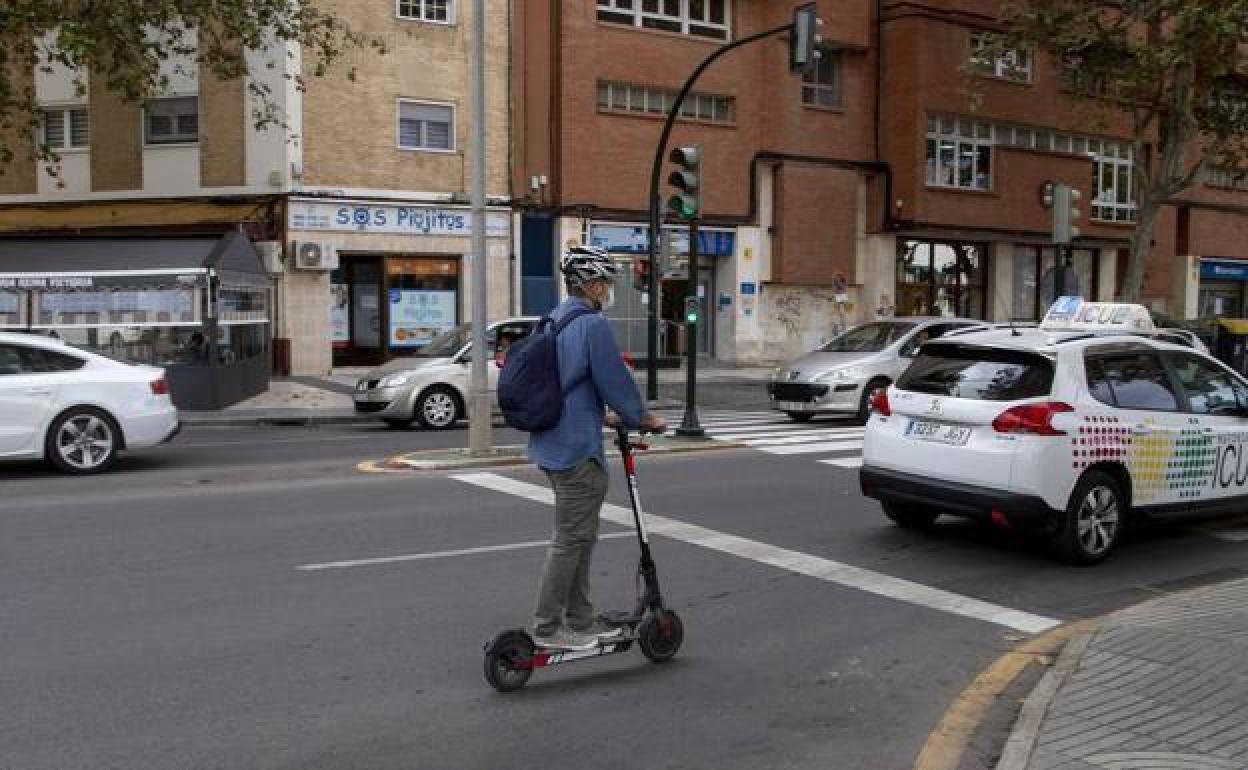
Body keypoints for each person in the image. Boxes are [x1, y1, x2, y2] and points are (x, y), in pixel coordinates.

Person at [528, 246, 667, 651]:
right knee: (571, 540)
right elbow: (615, 382)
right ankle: (548, 628)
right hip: (575, 449)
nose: (607, 289)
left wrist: (600, 414)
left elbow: (568, 381)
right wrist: (643, 417)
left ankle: (581, 618)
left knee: (579, 537)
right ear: (590, 284)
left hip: (550, 442)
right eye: (605, 281)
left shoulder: (554, 318)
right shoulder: (591, 324)